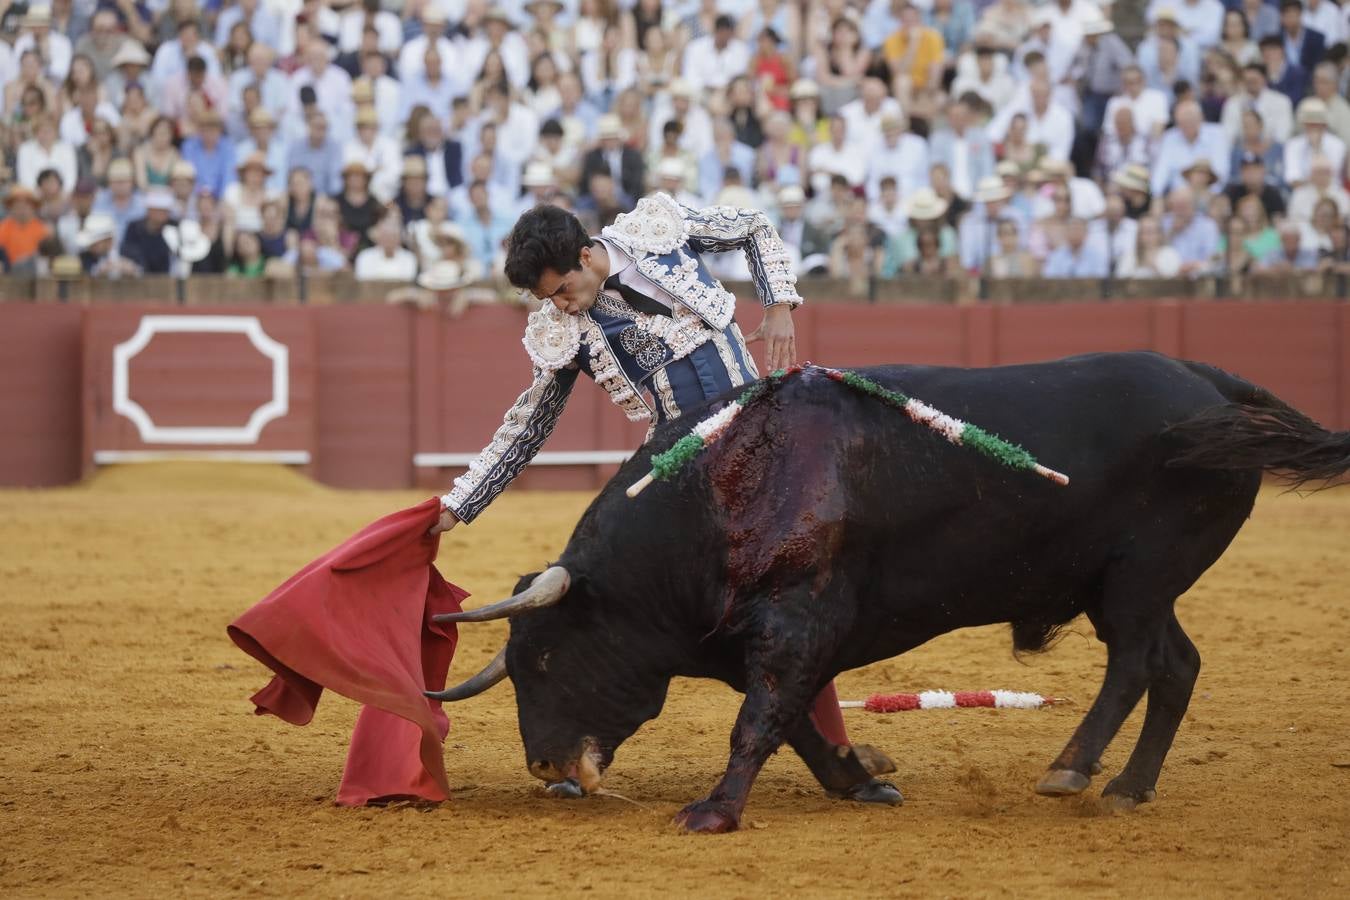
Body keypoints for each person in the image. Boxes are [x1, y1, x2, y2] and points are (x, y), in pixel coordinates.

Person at [424, 195, 892, 803]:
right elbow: (527, 426)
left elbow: (754, 227)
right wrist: (459, 504)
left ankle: (835, 754)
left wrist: (779, 307)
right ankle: (573, 752)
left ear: (586, 255)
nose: (559, 305)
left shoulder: (657, 230)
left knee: (795, 598)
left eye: (562, 289)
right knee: (610, 604)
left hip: (767, 454)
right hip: (682, 482)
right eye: (547, 299)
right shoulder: (563, 330)